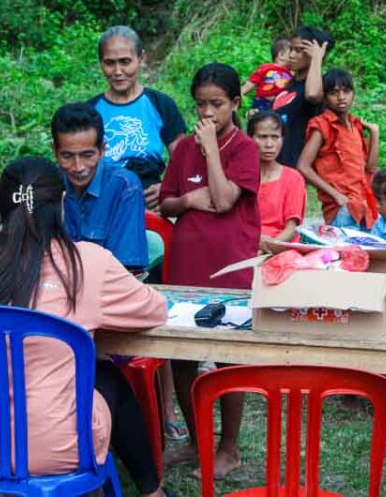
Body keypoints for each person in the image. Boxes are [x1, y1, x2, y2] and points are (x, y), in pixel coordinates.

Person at [0, 156, 176, 497]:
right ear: (62, 205)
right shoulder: (87, 263)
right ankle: (152, 492)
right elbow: (154, 311)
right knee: (106, 376)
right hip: (57, 446)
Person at [160, 63, 260, 478]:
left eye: (217, 104)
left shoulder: (245, 148)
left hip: (230, 265)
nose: (207, 113)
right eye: (200, 104)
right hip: (186, 262)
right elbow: (165, 203)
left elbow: (222, 201)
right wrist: (187, 201)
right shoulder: (183, 147)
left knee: (228, 358)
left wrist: (212, 156)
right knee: (182, 358)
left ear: (235, 104)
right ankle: (199, 441)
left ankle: (230, 447)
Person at [88, 25, 187, 209]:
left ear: (141, 58)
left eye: (125, 61)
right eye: (110, 63)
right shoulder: (90, 111)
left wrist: (167, 189)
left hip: (149, 204)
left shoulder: (160, 104)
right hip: (102, 203)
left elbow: (184, 160)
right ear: (101, 63)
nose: (118, 71)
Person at [51, 102, 148, 276]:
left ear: (102, 149)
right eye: (67, 156)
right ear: (55, 151)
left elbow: (125, 271)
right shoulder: (47, 186)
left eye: (87, 155)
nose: (78, 167)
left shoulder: (125, 186)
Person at [297, 68, 380, 229]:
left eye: (346, 91)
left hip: (363, 205)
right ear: (325, 97)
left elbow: (370, 168)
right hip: (341, 209)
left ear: (353, 94)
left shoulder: (355, 125)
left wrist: (374, 134)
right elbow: (303, 166)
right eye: (334, 93)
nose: (341, 97)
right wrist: (336, 195)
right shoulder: (322, 125)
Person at [275, 25, 331, 168]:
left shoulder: (320, 86)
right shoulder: (290, 84)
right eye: (291, 49)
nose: (292, 55)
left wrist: (317, 59)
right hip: (274, 161)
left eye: (299, 50)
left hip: (293, 165)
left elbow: (312, 95)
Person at [249, 111, 306, 249]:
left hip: (279, 249)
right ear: (250, 138)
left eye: (275, 137)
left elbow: (291, 229)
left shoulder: (293, 178)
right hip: (245, 246)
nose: (269, 144)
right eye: (262, 137)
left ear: (282, 139)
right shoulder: (242, 176)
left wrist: (267, 247)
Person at [242, 37, 294, 112]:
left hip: (277, 104)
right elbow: (253, 81)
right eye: (291, 52)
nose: (293, 55)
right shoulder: (267, 68)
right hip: (262, 101)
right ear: (281, 55)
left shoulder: (291, 74)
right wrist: (242, 91)